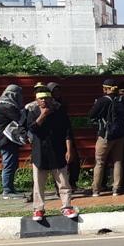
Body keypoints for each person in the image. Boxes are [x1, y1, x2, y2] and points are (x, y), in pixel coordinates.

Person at [25, 85, 77, 221]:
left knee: (63, 182)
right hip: (39, 153)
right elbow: (32, 129)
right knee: (38, 184)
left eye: (46, 98)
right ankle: (38, 209)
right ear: (37, 100)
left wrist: (69, 149)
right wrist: (43, 114)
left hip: (58, 151)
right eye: (41, 99)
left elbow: (67, 132)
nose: (44, 101)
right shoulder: (33, 111)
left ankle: (66, 206)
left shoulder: (59, 110)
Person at [87, 79, 124, 197]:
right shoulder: (121, 99)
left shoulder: (102, 101)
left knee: (100, 161)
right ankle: (116, 188)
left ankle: (96, 189)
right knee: (118, 161)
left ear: (105, 88)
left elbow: (91, 114)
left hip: (105, 135)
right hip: (119, 135)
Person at [47, 82, 81, 190]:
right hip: (53, 137)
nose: (57, 93)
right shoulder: (47, 106)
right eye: (54, 91)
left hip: (65, 135)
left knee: (73, 161)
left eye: (58, 90)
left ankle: (72, 183)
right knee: (56, 163)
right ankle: (59, 187)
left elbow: (66, 123)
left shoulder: (62, 105)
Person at [0, 84, 25, 199]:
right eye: (19, 95)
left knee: (12, 164)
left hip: (8, 139)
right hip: (6, 140)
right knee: (9, 164)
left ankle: (10, 188)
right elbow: (20, 119)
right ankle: (7, 191)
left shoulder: (2, 105)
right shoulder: (7, 107)